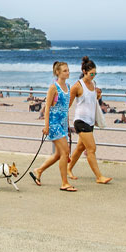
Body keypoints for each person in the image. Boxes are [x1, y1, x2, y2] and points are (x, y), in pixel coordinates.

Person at [29, 62, 76, 191]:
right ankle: (64, 183)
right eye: (65, 71)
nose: (68, 72)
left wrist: (68, 125)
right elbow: (48, 107)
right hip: (54, 124)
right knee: (65, 153)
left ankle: (39, 170)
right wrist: (46, 126)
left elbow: (66, 108)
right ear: (58, 73)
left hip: (63, 124)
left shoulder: (68, 86)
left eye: (68, 70)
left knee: (58, 154)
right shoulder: (53, 88)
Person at [67, 56, 112, 184]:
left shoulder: (93, 84)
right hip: (80, 121)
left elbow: (93, 99)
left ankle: (69, 168)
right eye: (91, 73)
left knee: (80, 148)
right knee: (91, 149)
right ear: (84, 71)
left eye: (95, 73)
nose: (93, 76)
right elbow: (68, 105)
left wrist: (98, 95)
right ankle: (99, 177)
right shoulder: (77, 86)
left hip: (90, 122)